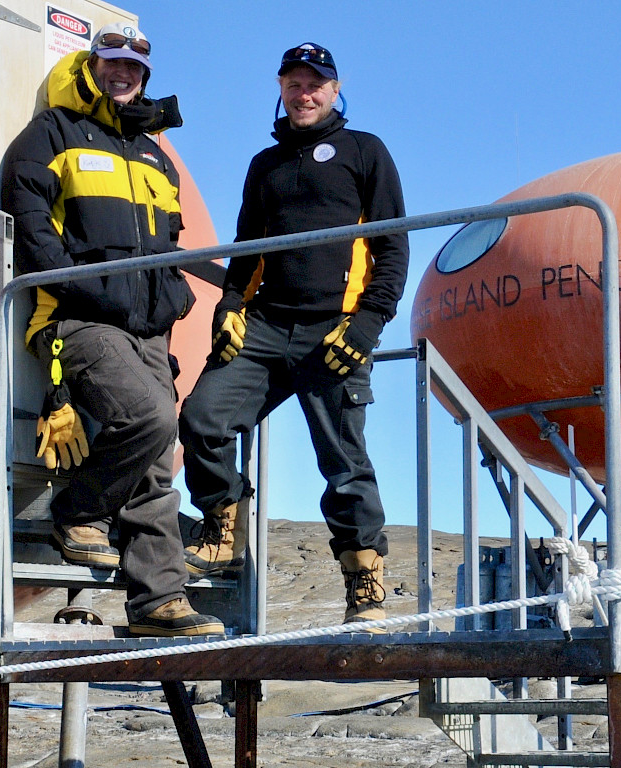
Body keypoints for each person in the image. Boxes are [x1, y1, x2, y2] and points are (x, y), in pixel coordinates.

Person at [0, 24, 222, 637]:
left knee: (154, 461)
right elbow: (31, 219)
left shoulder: (153, 153)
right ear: (92, 66)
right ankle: (78, 513)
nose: (124, 74)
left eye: (134, 68)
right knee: (152, 421)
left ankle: (158, 602)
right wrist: (76, 284)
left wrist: (170, 297)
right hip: (77, 317)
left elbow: (166, 240)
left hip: (148, 327)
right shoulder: (52, 134)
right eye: (113, 63)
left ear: (144, 77)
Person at [179, 43, 408, 629]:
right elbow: (246, 244)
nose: (303, 94)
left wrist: (368, 322)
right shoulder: (266, 163)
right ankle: (222, 527)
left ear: (334, 90)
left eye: (315, 85)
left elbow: (393, 248)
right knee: (202, 416)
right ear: (280, 88)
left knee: (343, 460)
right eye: (293, 84)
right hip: (265, 325)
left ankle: (364, 584)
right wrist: (228, 307)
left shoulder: (366, 151)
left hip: (335, 328)